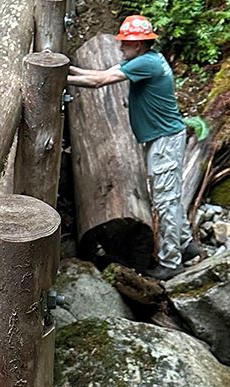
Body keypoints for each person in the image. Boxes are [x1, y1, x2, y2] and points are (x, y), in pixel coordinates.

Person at [67, 15, 192, 272]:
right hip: (163, 138)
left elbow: (99, 81)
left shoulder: (145, 63)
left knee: (166, 199)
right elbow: (100, 74)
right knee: (171, 195)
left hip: (164, 141)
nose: (120, 47)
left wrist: (59, 78)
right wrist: (68, 69)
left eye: (125, 43)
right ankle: (186, 243)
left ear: (138, 45)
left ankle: (171, 263)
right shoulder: (149, 59)